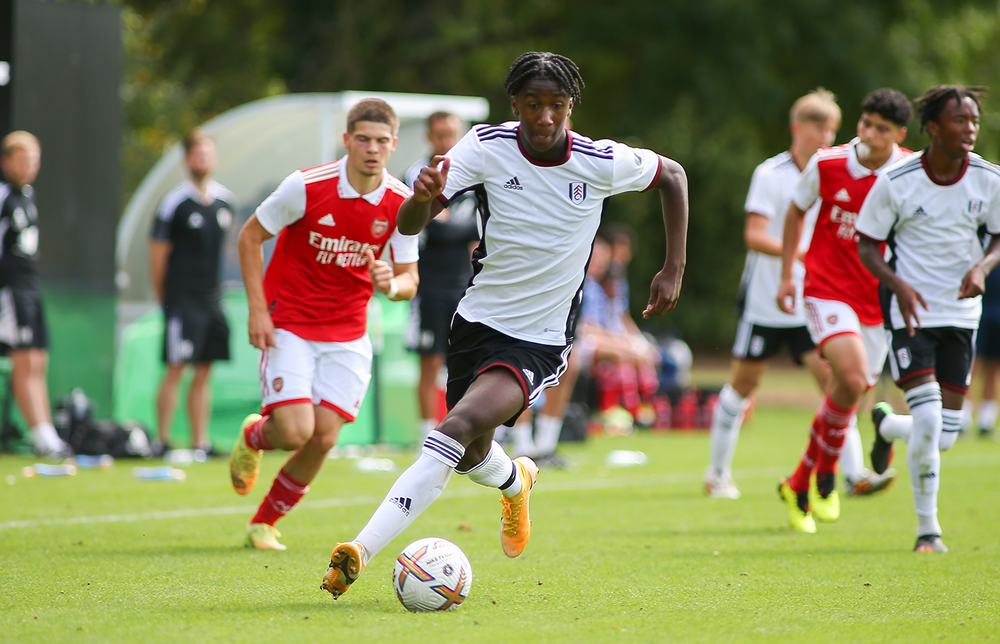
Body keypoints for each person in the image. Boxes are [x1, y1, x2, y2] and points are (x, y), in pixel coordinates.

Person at [320, 51, 688, 599]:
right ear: (514, 104)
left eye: (557, 106)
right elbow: (410, 222)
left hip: (538, 339)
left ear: (571, 106)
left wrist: (672, 268)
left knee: (451, 429)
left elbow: (674, 176)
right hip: (476, 321)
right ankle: (517, 481)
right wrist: (420, 199)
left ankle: (359, 551)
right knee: (469, 452)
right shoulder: (484, 147)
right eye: (533, 105)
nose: (545, 118)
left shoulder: (600, 161)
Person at [229, 99, 419, 550]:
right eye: (364, 140)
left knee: (324, 437)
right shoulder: (306, 186)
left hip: (349, 332)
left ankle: (264, 522)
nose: (372, 149)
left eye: (381, 142)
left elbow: (410, 280)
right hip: (290, 321)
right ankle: (255, 434)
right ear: (347, 140)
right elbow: (250, 236)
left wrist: (391, 285)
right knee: (294, 431)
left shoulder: (402, 204)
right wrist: (258, 309)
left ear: (393, 145)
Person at [858, 85, 1000, 553]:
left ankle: (885, 426)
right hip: (910, 315)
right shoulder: (897, 181)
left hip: (961, 315)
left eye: (974, 120)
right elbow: (867, 244)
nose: (970, 128)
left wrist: (981, 267)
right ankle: (928, 530)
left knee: (946, 436)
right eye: (960, 120)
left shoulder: (989, 179)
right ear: (933, 128)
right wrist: (898, 285)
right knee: (930, 416)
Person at [776, 88, 913, 533]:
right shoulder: (828, 163)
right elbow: (796, 212)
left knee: (848, 393)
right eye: (866, 124)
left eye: (882, 129)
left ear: (900, 135)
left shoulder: (910, 170)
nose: (870, 135)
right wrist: (786, 274)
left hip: (876, 302)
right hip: (826, 289)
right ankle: (828, 475)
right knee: (851, 379)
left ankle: (798, 482)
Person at [704, 90, 840, 499]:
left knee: (836, 385)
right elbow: (754, 235)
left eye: (831, 130)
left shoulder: (832, 173)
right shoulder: (770, 174)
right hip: (765, 299)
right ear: (798, 128)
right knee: (744, 385)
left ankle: (850, 476)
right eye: (818, 127)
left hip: (810, 300)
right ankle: (716, 475)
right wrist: (800, 253)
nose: (825, 137)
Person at [149, 128, 234, 457]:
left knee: (204, 371)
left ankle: (201, 442)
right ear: (187, 160)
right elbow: (157, 255)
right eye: (197, 154)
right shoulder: (174, 204)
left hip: (212, 300)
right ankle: (163, 440)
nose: (203, 160)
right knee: (175, 368)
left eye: (208, 154)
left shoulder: (225, 201)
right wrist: (166, 301)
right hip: (181, 301)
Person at [404, 112, 480, 444]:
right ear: (429, 137)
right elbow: (431, 229)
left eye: (451, 134)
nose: (445, 141)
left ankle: (462, 436)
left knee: (470, 362)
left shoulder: (473, 172)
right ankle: (425, 438)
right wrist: (454, 229)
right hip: (430, 284)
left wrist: (454, 228)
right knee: (430, 363)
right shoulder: (416, 173)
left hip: (467, 286)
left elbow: (480, 228)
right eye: (439, 135)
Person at [0, 131, 70, 459]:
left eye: (33, 161)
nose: (28, 167)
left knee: (39, 359)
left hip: (31, 287)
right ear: (6, 161)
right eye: (22, 160)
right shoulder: (3, 197)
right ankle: (40, 436)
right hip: (10, 290)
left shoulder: (28, 196)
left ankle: (48, 434)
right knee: (24, 360)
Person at [969, 265, 1000, 438]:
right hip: (980, 309)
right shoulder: (985, 244)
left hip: (998, 310)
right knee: (972, 364)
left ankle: (986, 422)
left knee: (994, 366)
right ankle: (961, 420)